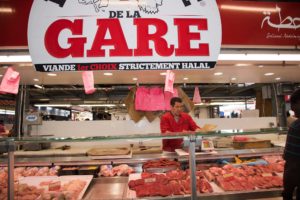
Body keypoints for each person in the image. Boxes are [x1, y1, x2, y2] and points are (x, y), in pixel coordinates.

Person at [283, 89, 300, 200]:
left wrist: (287, 192)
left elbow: (292, 163)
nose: (292, 109)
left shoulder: (296, 126)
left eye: (294, 103)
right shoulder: (295, 124)